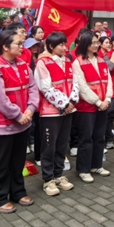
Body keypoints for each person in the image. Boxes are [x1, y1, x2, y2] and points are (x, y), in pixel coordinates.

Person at [0, 29, 38, 213]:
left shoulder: (23, 65)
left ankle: (17, 192)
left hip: (22, 123)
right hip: (1, 125)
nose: (22, 47)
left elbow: (33, 89)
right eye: (18, 44)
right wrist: (18, 115)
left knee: (17, 161)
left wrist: (30, 109)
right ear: (5, 47)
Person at [36, 32, 78, 196]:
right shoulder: (42, 63)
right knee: (49, 147)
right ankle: (48, 179)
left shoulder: (68, 61)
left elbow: (75, 83)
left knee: (62, 144)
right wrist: (64, 104)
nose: (64, 47)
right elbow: (45, 87)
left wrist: (72, 101)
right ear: (51, 46)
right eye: (60, 45)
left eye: (65, 44)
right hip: (50, 112)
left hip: (68, 110)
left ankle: (58, 175)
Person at [72, 31, 113, 183]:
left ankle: (96, 165)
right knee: (86, 138)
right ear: (85, 44)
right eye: (93, 43)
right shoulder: (78, 63)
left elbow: (109, 81)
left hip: (103, 104)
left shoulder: (101, 61)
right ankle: (83, 169)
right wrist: (97, 101)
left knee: (99, 137)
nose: (96, 45)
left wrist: (107, 98)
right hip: (87, 107)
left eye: (97, 42)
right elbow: (82, 87)